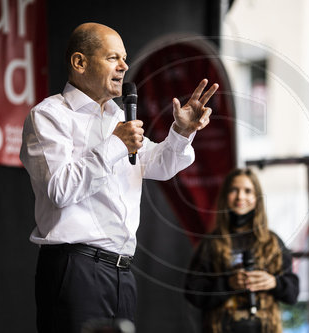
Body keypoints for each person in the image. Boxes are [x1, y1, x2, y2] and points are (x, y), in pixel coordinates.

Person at [20, 22, 219, 333]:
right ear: (80, 62)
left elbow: (160, 164)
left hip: (122, 272)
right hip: (76, 268)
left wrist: (181, 131)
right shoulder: (50, 116)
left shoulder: (119, 116)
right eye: (113, 58)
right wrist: (115, 144)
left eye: (124, 58)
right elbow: (59, 190)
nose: (124, 66)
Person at [184, 168, 299, 333]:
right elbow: (192, 293)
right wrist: (227, 284)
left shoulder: (272, 242)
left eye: (248, 191)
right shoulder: (211, 244)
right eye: (234, 190)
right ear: (225, 196)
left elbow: (293, 293)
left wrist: (274, 282)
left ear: (257, 198)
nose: (240, 196)